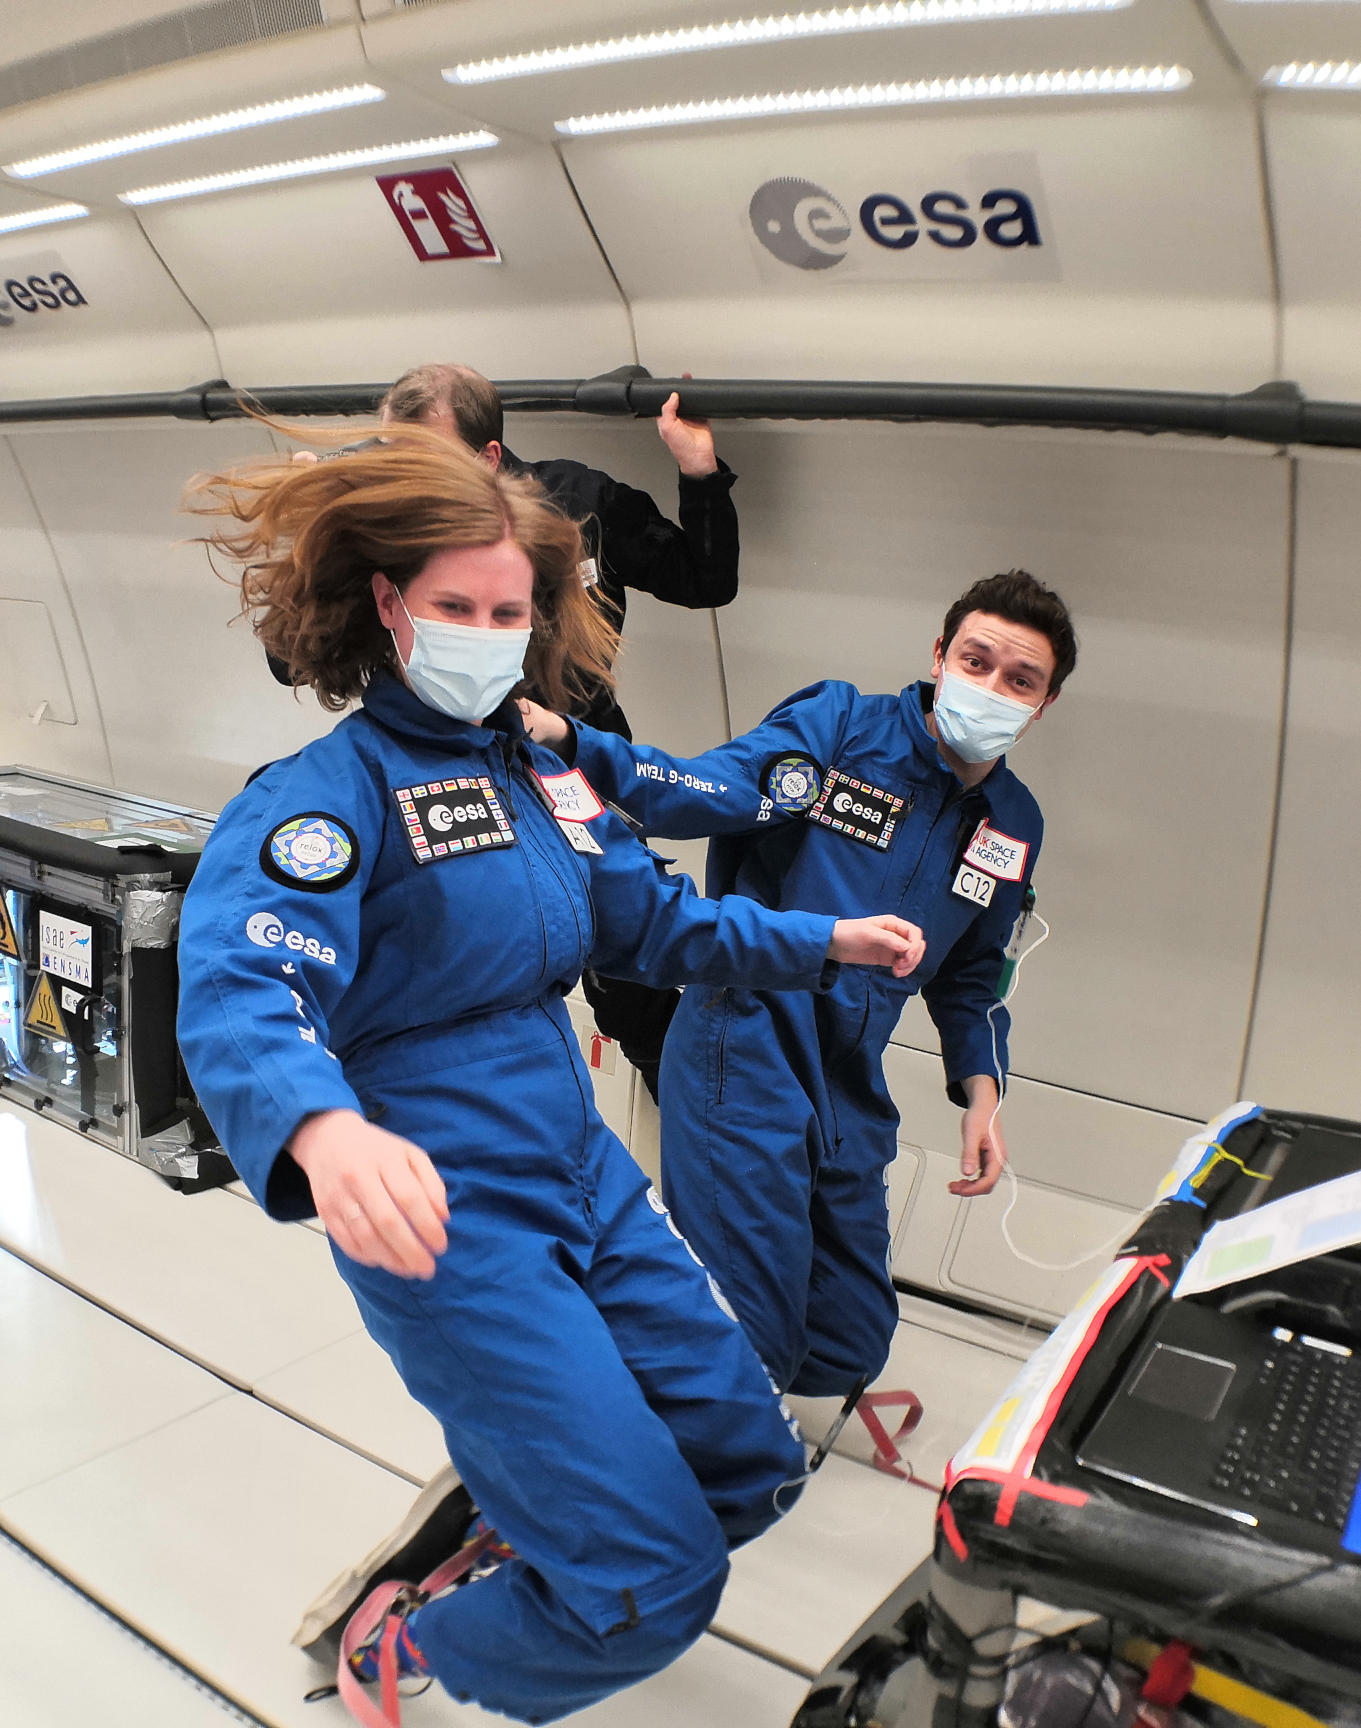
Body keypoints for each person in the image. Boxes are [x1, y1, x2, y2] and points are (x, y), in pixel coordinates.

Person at [176, 426, 926, 1723]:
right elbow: (248, 981)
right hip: (449, 1219)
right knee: (648, 1584)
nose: (483, 629)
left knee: (748, 1468)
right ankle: (408, 1643)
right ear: (391, 607)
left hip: (583, 1176)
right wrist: (321, 1129)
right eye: (454, 605)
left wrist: (827, 941)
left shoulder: (543, 781)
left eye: (508, 611)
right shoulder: (325, 795)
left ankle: (519, 1511)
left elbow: (659, 924)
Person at [517, 570, 1076, 1408]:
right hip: (744, 1041)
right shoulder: (844, 727)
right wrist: (572, 739)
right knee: (756, 1339)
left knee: (847, 1345)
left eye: (1019, 680)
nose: (992, 688)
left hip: (849, 1081)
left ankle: (672, 1341)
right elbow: (697, 789)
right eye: (977, 660)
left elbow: (973, 974)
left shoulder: (1013, 823)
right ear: (939, 655)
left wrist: (983, 1093)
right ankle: (626, 1413)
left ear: (1044, 704)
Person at [371, 362, 740, 1100]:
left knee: (629, 963)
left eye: (429, 462)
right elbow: (294, 657)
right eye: (397, 461)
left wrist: (701, 473)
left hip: (579, 761)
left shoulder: (581, 503)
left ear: (489, 460)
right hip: (454, 773)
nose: (412, 481)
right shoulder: (388, 526)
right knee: (478, 960)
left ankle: (693, 1117)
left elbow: (706, 580)